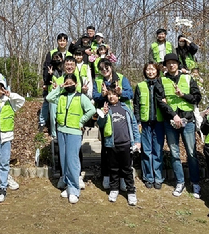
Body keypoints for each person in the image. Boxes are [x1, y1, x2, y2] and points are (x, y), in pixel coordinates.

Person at [46, 73, 96, 204]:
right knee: (64, 160)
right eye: (67, 83)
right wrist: (59, 88)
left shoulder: (81, 97)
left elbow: (91, 110)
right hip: (62, 130)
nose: (69, 85)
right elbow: (49, 97)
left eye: (71, 83)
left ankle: (74, 189)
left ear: (76, 84)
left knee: (72, 160)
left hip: (74, 132)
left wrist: (82, 121)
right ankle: (68, 185)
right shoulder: (61, 96)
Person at [159, 53, 202, 198]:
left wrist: (183, 95)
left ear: (178, 64)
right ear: (165, 65)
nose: (171, 65)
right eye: (168, 63)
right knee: (175, 153)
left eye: (174, 62)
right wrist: (174, 115)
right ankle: (180, 182)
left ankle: (195, 182)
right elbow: (160, 101)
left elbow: (197, 98)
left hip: (188, 120)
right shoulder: (162, 80)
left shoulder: (188, 78)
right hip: (171, 121)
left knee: (191, 153)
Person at [92, 58, 133, 189]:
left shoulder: (121, 78)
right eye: (101, 68)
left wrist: (120, 93)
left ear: (111, 66)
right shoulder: (98, 81)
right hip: (106, 116)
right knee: (106, 148)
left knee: (122, 149)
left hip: (120, 116)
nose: (104, 70)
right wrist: (103, 95)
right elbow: (95, 96)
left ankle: (122, 178)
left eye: (106, 67)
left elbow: (130, 94)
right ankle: (107, 175)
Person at [97, 83, 141, 206]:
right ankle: (114, 189)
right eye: (109, 94)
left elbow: (133, 125)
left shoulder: (126, 108)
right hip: (112, 145)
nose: (111, 97)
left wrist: (137, 141)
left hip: (126, 144)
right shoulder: (105, 109)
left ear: (118, 95)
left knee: (127, 169)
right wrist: (103, 115)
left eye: (114, 94)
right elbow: (100, 125)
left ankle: (131, 192)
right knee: (113, 169)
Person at [133, 62, 166, 189]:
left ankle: (158, 177)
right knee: (146, 151)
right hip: (145, 123)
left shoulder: (161, 84)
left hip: (159, 122)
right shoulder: (140, 86)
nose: (150, 72)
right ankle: (148, 177)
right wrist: (138, 120)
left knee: (157, 151)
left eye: (153, 69)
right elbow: (136, 104)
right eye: (148, 70)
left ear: (157, 71)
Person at [40, 34, 71, 128]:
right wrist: (46, 82)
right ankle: (44, 123)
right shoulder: (51, 53)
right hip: (53, 82)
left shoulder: (69, 54)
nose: (62, 42)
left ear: (66, 42)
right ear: (57, 41)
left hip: (65, 83)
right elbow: (47, 68)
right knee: (49, 102)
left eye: (64, 41)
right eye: (60, 40)